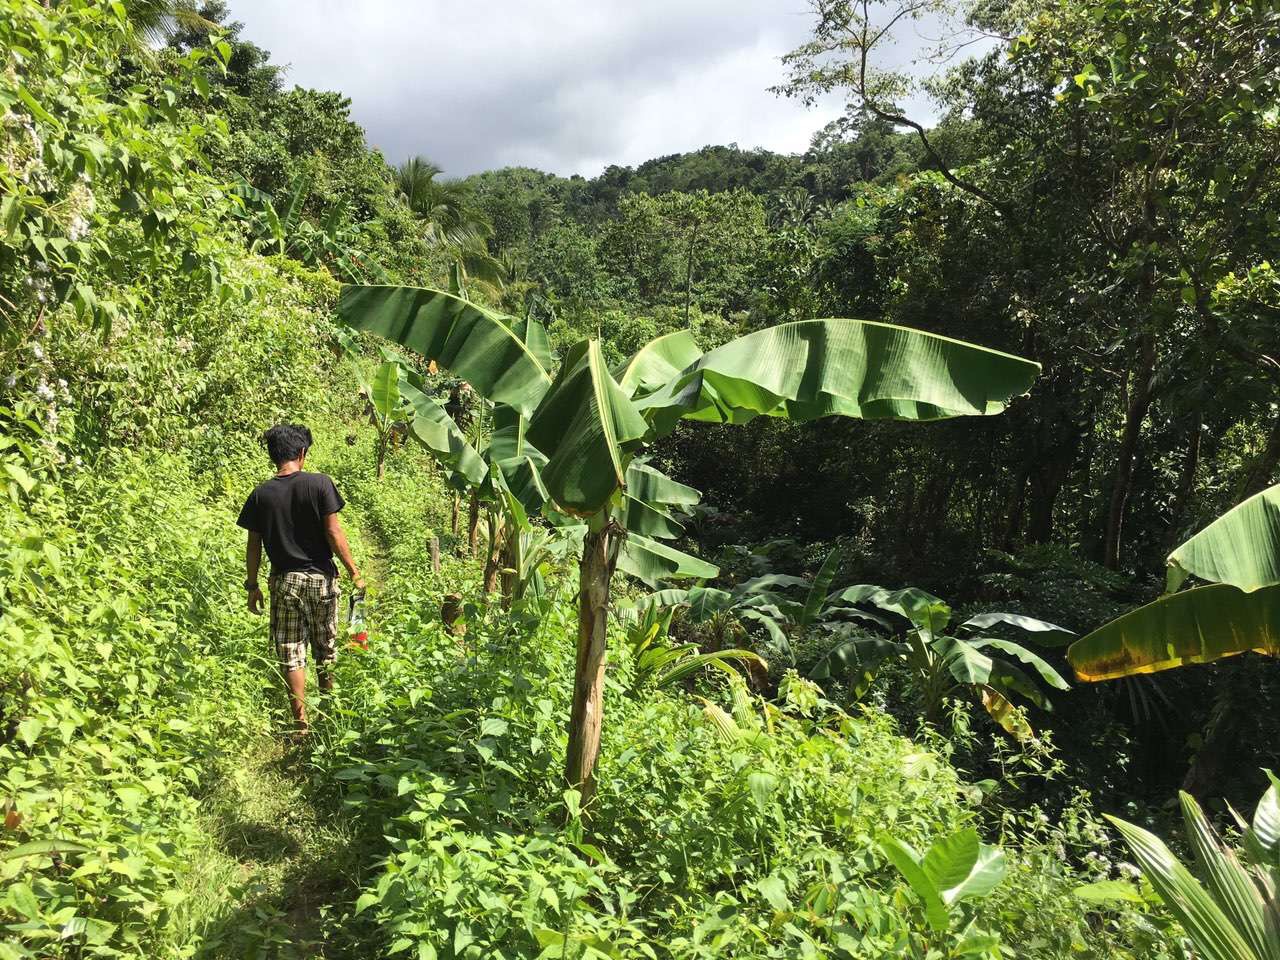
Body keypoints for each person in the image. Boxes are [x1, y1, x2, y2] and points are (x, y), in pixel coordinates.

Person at [236, 424, 364, 735]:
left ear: (273, 456)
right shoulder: (320, 484)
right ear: (302, 453)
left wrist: (251, 586)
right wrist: (354, 571)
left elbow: (253, 545)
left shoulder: (260, 495)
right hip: (321, 579)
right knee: (326, 645)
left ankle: (300, 724)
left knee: (291, 650)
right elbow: (333, 532)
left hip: (284, 582)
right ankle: (330, 713)